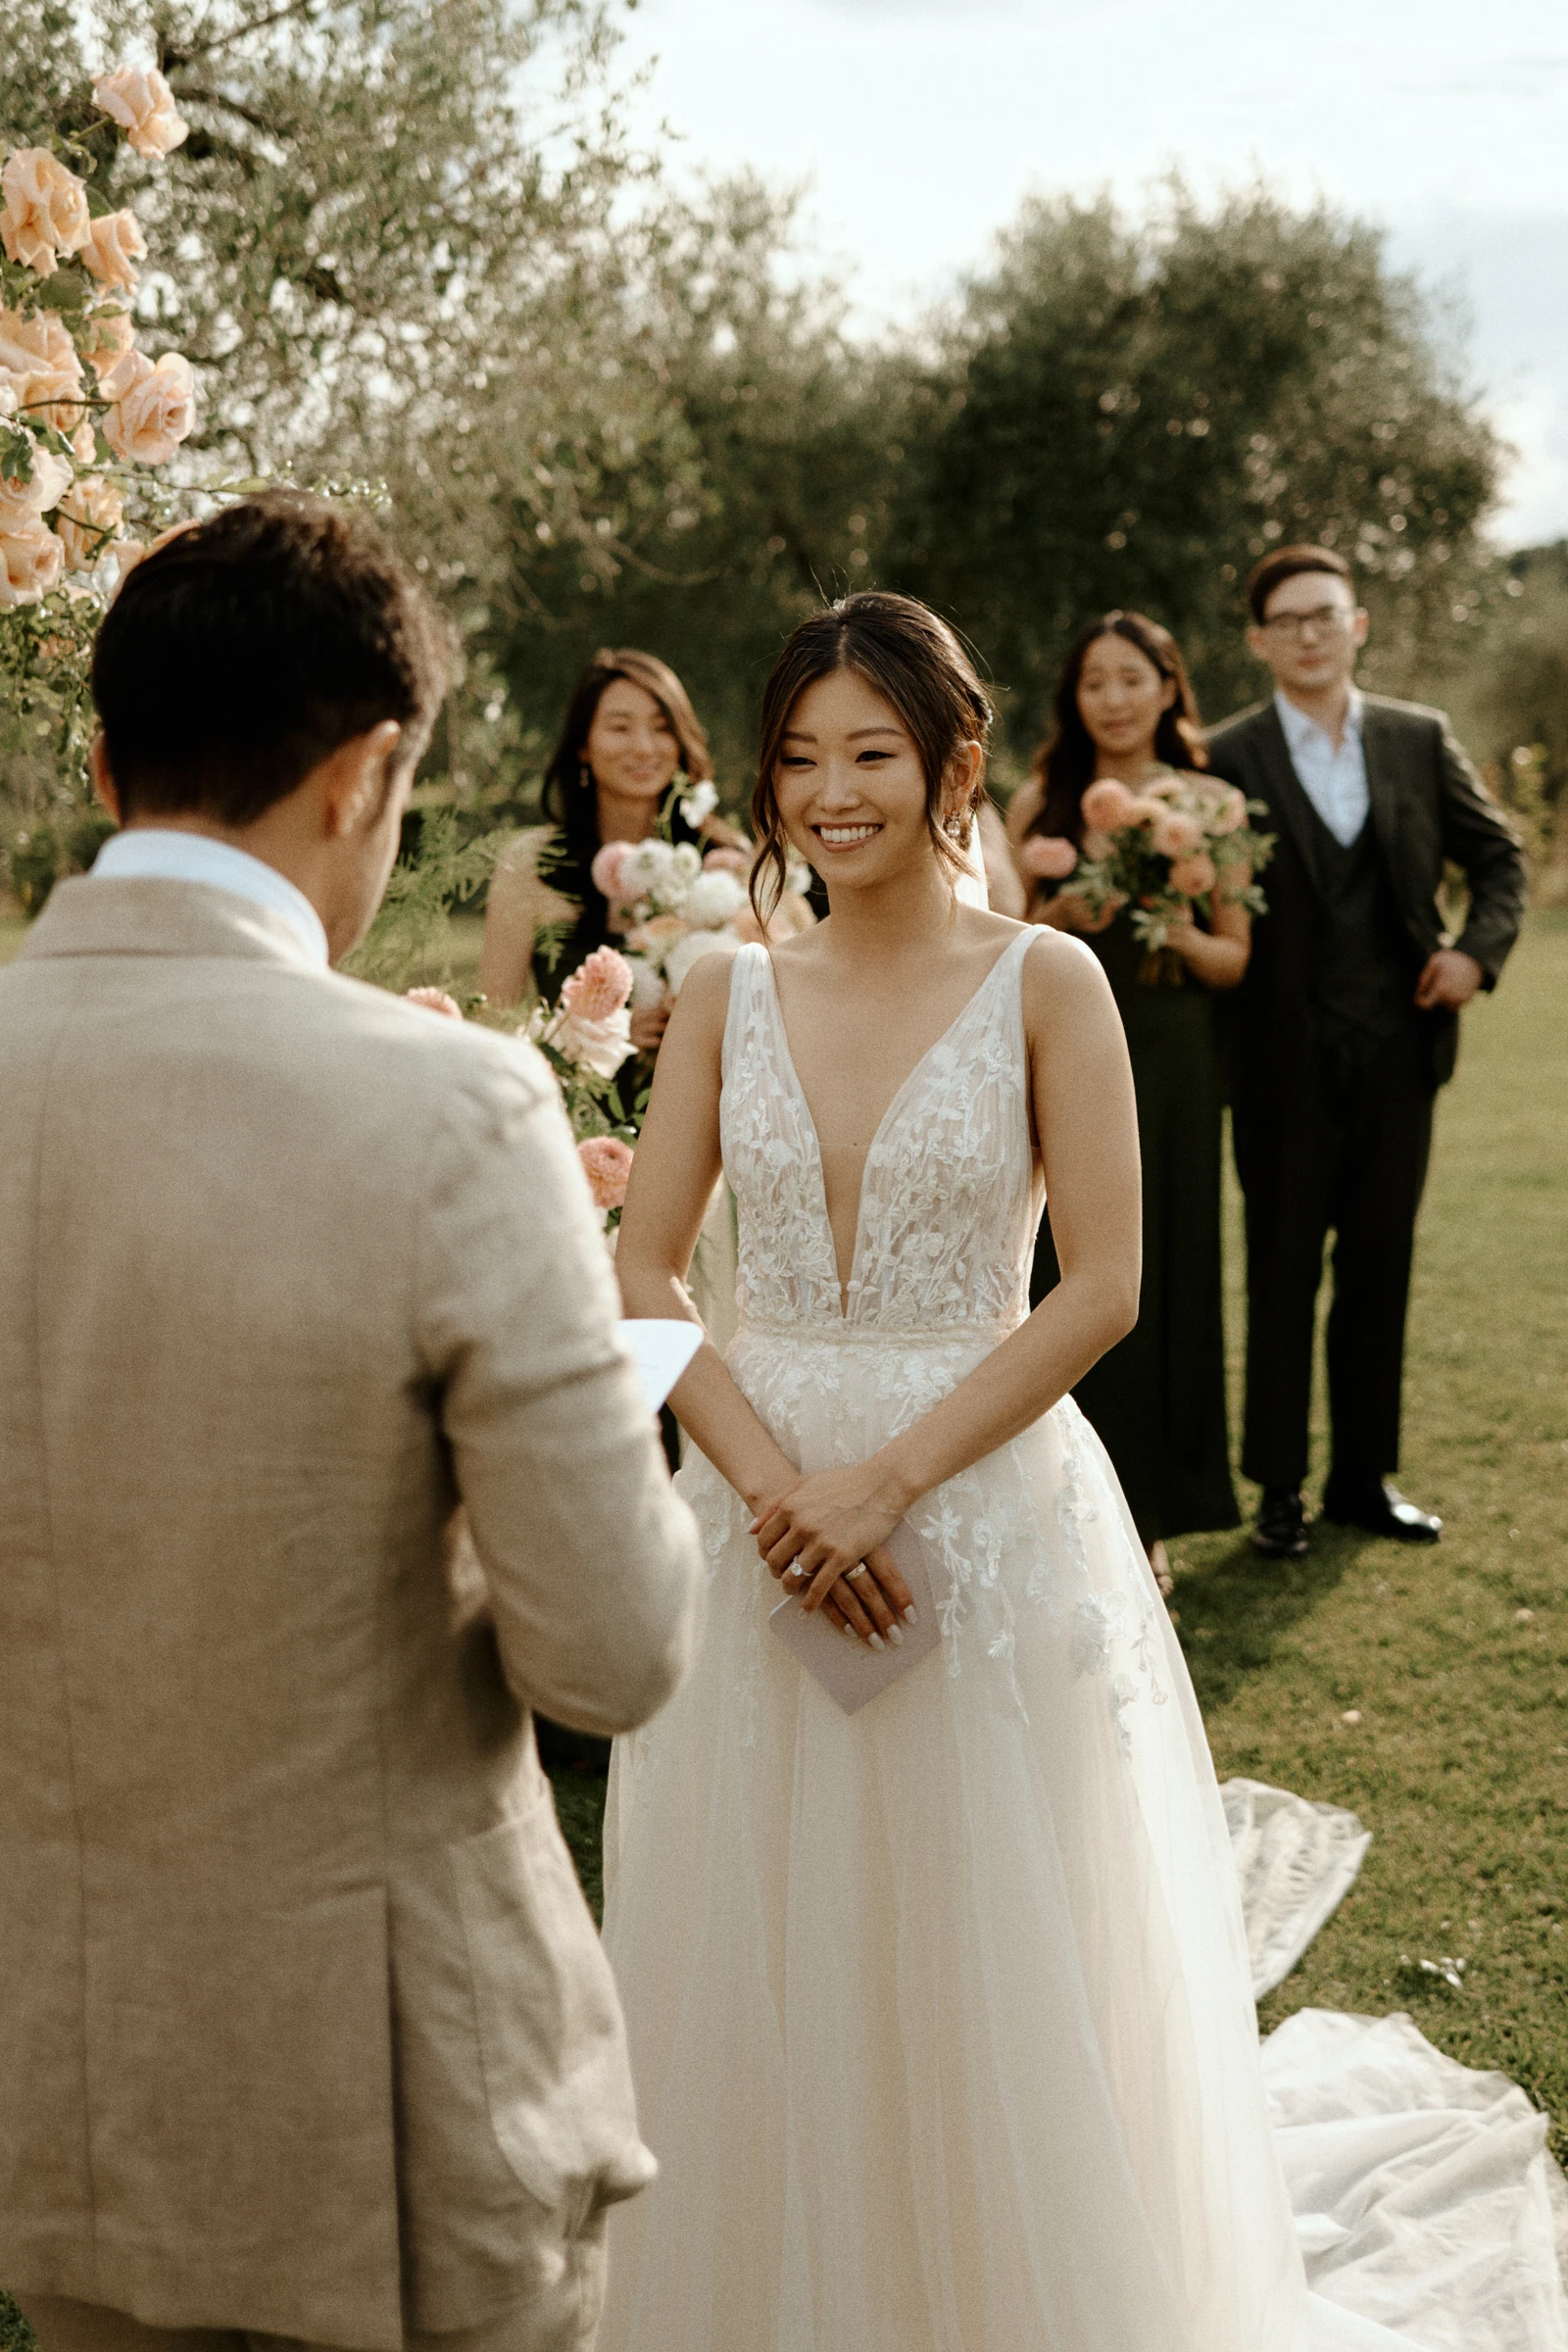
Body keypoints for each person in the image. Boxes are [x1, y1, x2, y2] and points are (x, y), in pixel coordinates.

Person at [599, 589, 1438, 2352]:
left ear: (953, 762)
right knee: (762, 1947)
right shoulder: (725, 987)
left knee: (989, 1944)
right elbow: (643, 1274)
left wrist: (885, 1484)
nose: (834, 794)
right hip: (754, 1527)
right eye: (802, 760)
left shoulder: (1045, 979)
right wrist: (775, 1492)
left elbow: (1113, 1285)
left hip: (976, 1516)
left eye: (874, 756)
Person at [0, 494, 703, 2352]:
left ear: (103, 756)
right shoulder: (447, 1111)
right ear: (369, 772)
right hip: (393, 2124)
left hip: (60, 2102)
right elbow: (614, 1653)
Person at [1206, 546, 1527, 1560]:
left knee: (1379, 1269)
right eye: (1286, 619)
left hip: (1400, 1051)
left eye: (1325, 614)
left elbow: (1499, 857)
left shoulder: (1417, 739)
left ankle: (1360, 1480)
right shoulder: (1219, 757)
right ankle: (1277, 1493)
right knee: (1282, 1273)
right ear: (1258, 640)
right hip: (1277, 1064)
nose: (1308, 632)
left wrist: (1476, 956)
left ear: (1357, 625)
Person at [1007, 612, 1247, 1591]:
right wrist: (1060, 915)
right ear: (1075, 697)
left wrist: (1174, 930)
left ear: (1166, 686)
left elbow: (1234, 956)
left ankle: (1149, 1516)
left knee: (1166, 1269)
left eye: (1130, 678)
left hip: (1171, 1054)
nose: (1111, 697)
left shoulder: (1213, 804)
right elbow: (996, 945)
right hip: (1054, 1054)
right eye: (1093, 681)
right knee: (1052, 1270)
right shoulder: (1035, 803)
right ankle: (1044, 1496)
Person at [476, 647, 744, 1043]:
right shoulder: (532, 862)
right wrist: (598, 1037)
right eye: (620, 728)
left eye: (661, 728)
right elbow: (489, 1026)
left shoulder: (722, 860)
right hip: (573, 1100)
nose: (643, 747)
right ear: (583, 746)